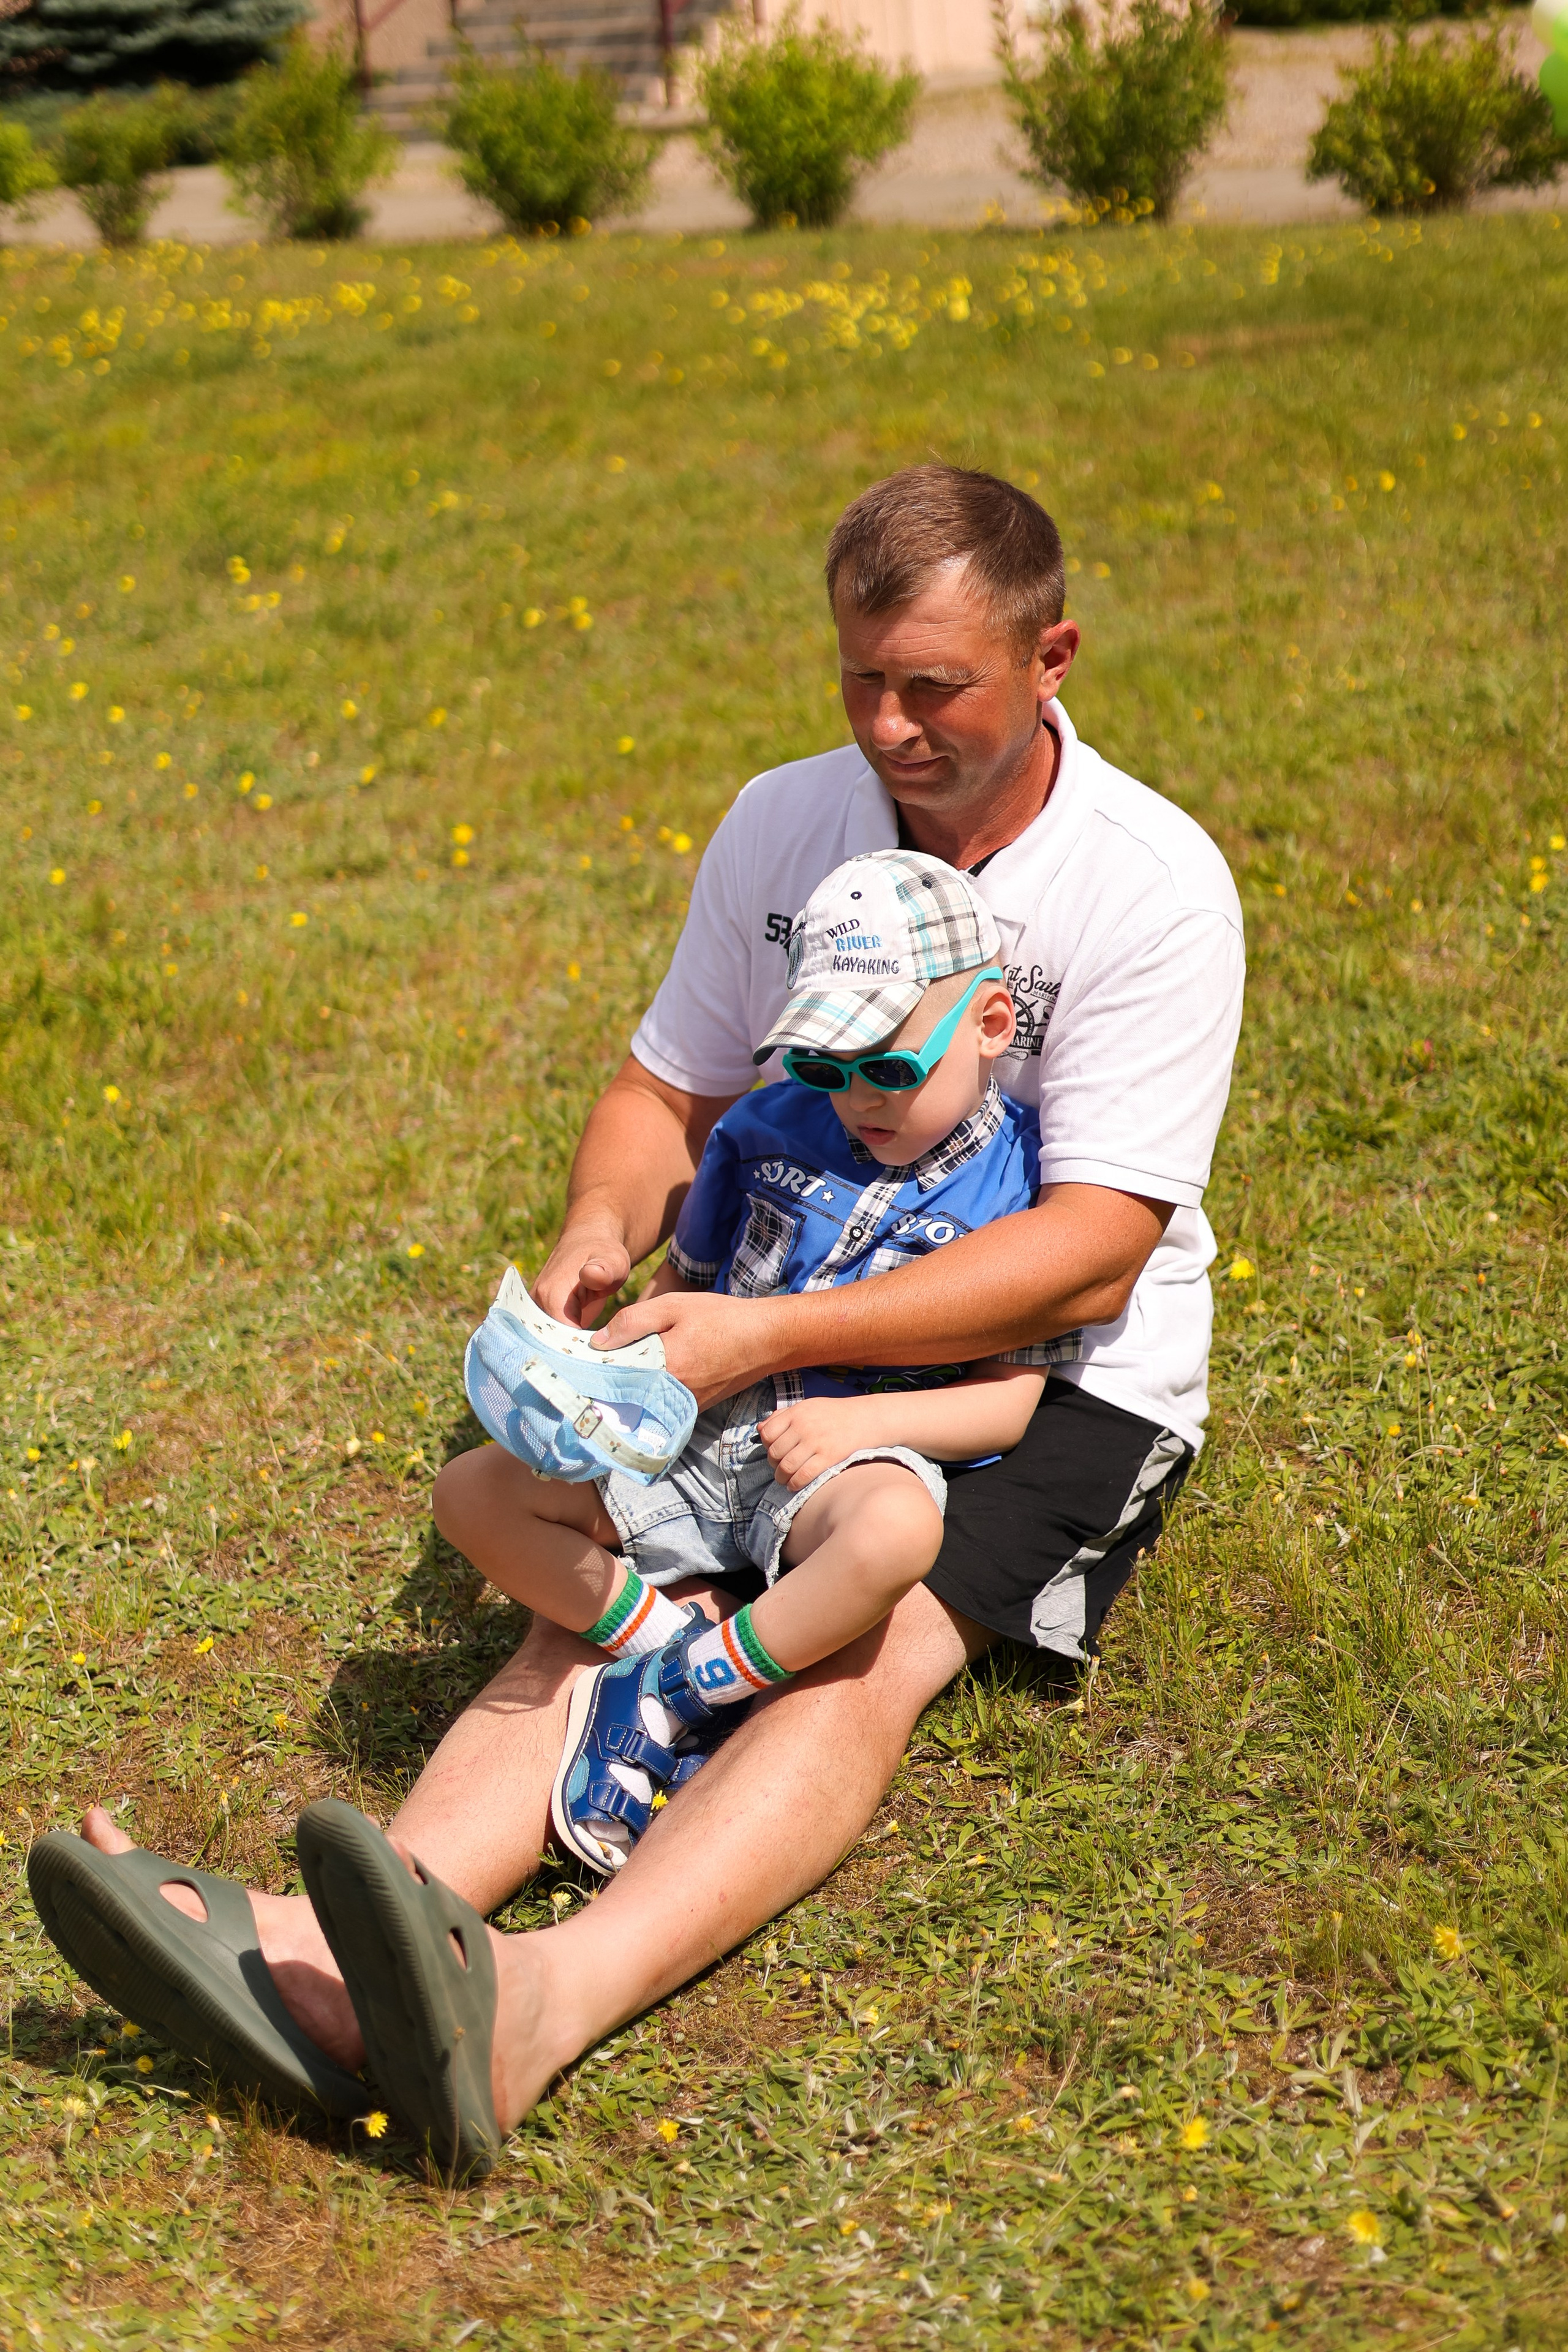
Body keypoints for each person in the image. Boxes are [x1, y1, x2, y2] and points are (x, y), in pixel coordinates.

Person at [28, 464, 1245, 2183]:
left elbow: (1090, 1258)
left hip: (1041, 1383)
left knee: (859, 1646)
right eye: (860, 682)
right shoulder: (782, 822)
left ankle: (534, 2006)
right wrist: (605, 1229)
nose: (888, 727)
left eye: (935, 688)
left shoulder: (1152, 885)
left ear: (1054, 656)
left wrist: (749, 1344)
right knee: (607, 1595)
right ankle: (348, 1951)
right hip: (773, 1314)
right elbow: (665, 1086)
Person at [464, 850, 1050, 1878]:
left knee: (896, 1533)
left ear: (992, 1027)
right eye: (824, 1067)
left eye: (890, 1067)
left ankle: (679, 1697)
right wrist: (592, 1371)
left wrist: (868, 1429)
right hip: (695, 1441)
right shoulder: (764, 1126)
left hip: (831, 1466)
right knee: (473, 1494)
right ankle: (663, 1652)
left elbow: (1008, 1408)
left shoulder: (1019, 1185)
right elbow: (677, 1293)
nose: (856, 1100)